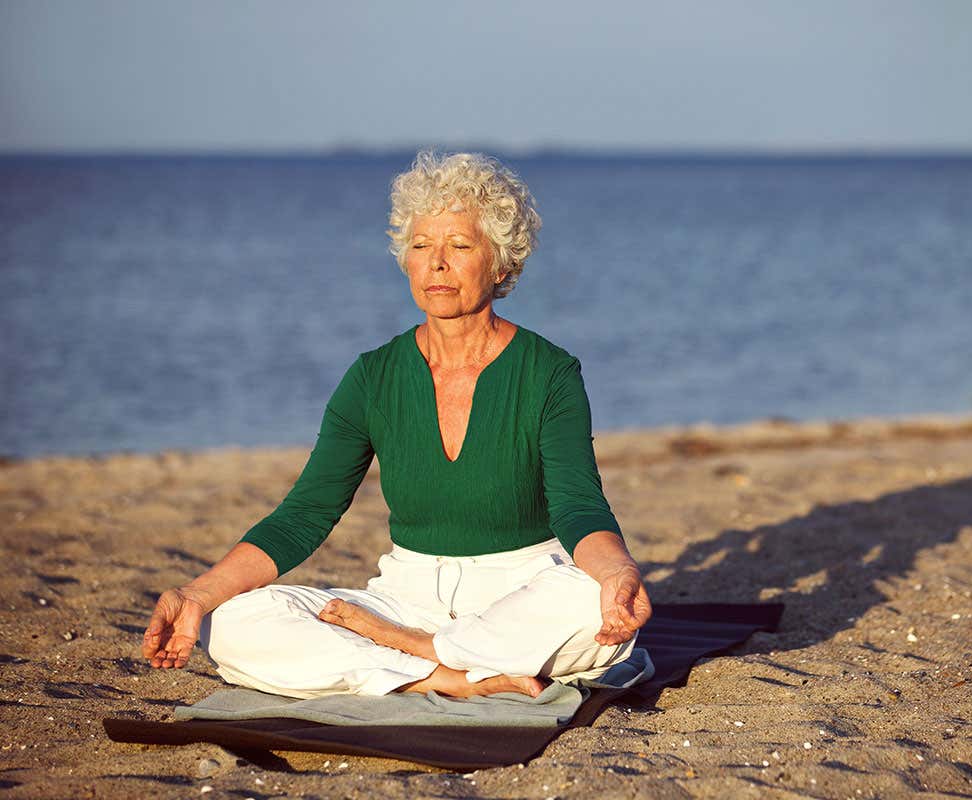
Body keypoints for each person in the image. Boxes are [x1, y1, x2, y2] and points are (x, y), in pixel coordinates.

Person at [141, 151, 652, 699]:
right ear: (405, 261)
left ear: (500, 265)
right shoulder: (372, 376)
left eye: (459, 247)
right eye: (420, 246)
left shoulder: (550, 372)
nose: (436, 264)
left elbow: (578, 506)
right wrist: (196, 594)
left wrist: (616, 572)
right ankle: (451, 677)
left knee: (586, 602)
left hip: (520, 591)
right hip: (406, 597)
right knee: (235, 621)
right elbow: (305, 514)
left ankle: (413, 655)